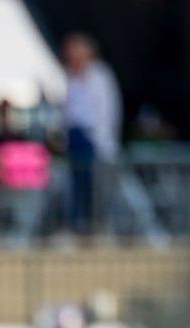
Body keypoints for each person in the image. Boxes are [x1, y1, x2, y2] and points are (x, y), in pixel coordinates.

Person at [60, 34, 120, 235]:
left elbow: (108, 112)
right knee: (76, 187)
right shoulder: (69, 77)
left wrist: (99, 141)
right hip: (75, 138)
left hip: (94, 141)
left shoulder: (101, 76)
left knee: (97, 189)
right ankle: (77, 226)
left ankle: (98, 228)